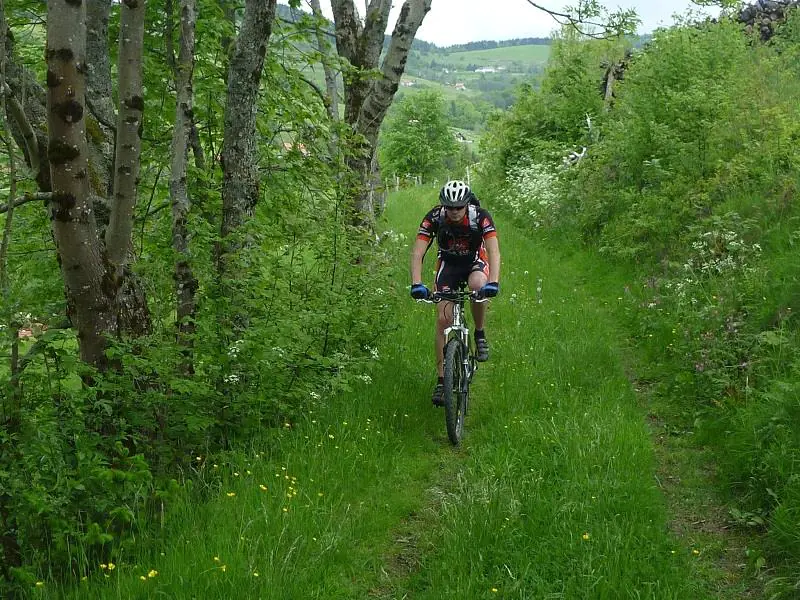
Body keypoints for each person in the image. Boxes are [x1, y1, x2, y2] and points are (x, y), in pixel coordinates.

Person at [409, 180, 501, 407]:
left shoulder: (480, 217)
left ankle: (479, 333)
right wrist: (416, 283)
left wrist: (494, 282)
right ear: (443, 206)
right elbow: (418, 252)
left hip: (474, 262)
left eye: (459, 207)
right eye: (450, 207)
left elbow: (493, 250)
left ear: (466, 204)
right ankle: (442, 380)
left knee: (479, 285)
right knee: (443, 319)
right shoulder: (434, 218)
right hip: (448, 266)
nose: (455, 211)